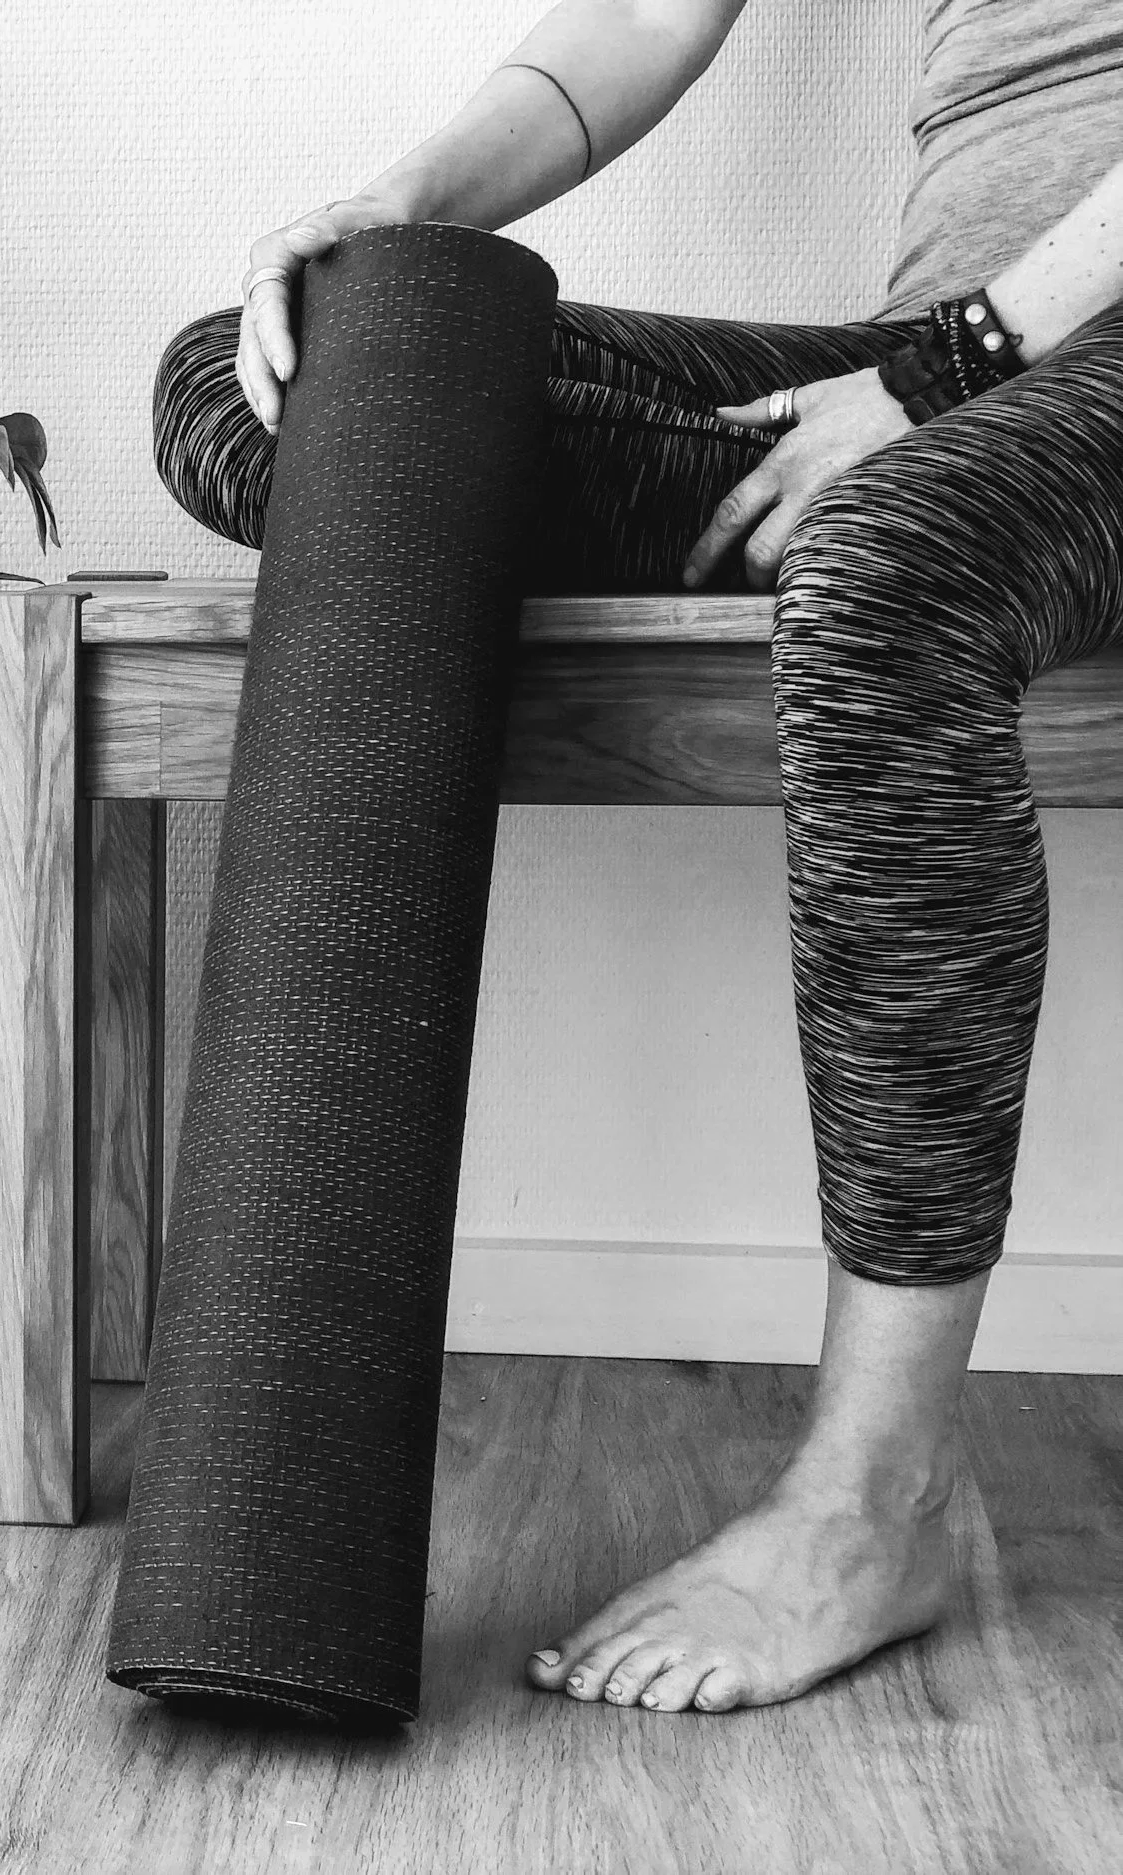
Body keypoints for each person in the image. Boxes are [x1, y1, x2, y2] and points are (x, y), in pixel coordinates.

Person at [156, 0, 1123, 1715]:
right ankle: (257, 1557)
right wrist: (409, 206)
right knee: (315, 372)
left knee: (887, 568)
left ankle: (870, 1504)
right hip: (945, 372)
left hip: (1007, 371)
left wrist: (954, 368)